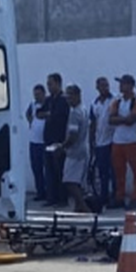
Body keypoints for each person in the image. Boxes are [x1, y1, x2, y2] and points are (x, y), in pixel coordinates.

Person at [108, 74, 136, 210]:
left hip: (132, 141)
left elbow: (132, 120)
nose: (120, 86)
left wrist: (120, 119)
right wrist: (124, 119)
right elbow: (110, 120)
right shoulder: (116, 101)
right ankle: (120, 197)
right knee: (119, 171)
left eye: (123, 83)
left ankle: (135, 198)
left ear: (130, 85)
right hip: (117, 141)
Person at [57, 84, 91, 213]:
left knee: (69, 181)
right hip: (83, 149)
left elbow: (73, 136)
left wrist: (62, 146)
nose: (68, 99)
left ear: (77, 95)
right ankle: (78, 206)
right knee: (77, 181)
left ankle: (83, 206)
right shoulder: (83, 109)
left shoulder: (75, 113)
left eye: (70, 96)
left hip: (75, 153)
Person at [38, 73, 69, 206]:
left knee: (59, 170)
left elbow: (57, 116)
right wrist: (47, 114)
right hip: (48, 139)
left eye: (50, 84)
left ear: (57, 83)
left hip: (59, 140)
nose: (48, 87)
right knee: (49, 170)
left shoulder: (63, 100)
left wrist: (48, 115)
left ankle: (62, 198)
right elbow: (39, 113)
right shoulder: (49, 100)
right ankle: (51, 198)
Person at [88, 76, 116, 205]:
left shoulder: (114, 100)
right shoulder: (94, 104)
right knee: (102, 171)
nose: (105, 88)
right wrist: (91, 140)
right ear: (97, 87)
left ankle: (115, 196)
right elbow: (93, 123)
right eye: (102, 86)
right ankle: (103, 196)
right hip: (100, 142)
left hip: (113, 141)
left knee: (114, 170)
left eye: (107, 85)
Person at [26, 84, 48, 201]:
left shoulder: (48, 104)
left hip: (44, 142)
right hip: (34, 142)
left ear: (44, 93)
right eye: (35, 95)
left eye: (39, 94)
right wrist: (31, 122)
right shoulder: (32, 104)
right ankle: (40, 192)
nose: (37, 97)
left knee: (48, 170)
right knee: (36, 168)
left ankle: (49, 192)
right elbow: (27, 114)